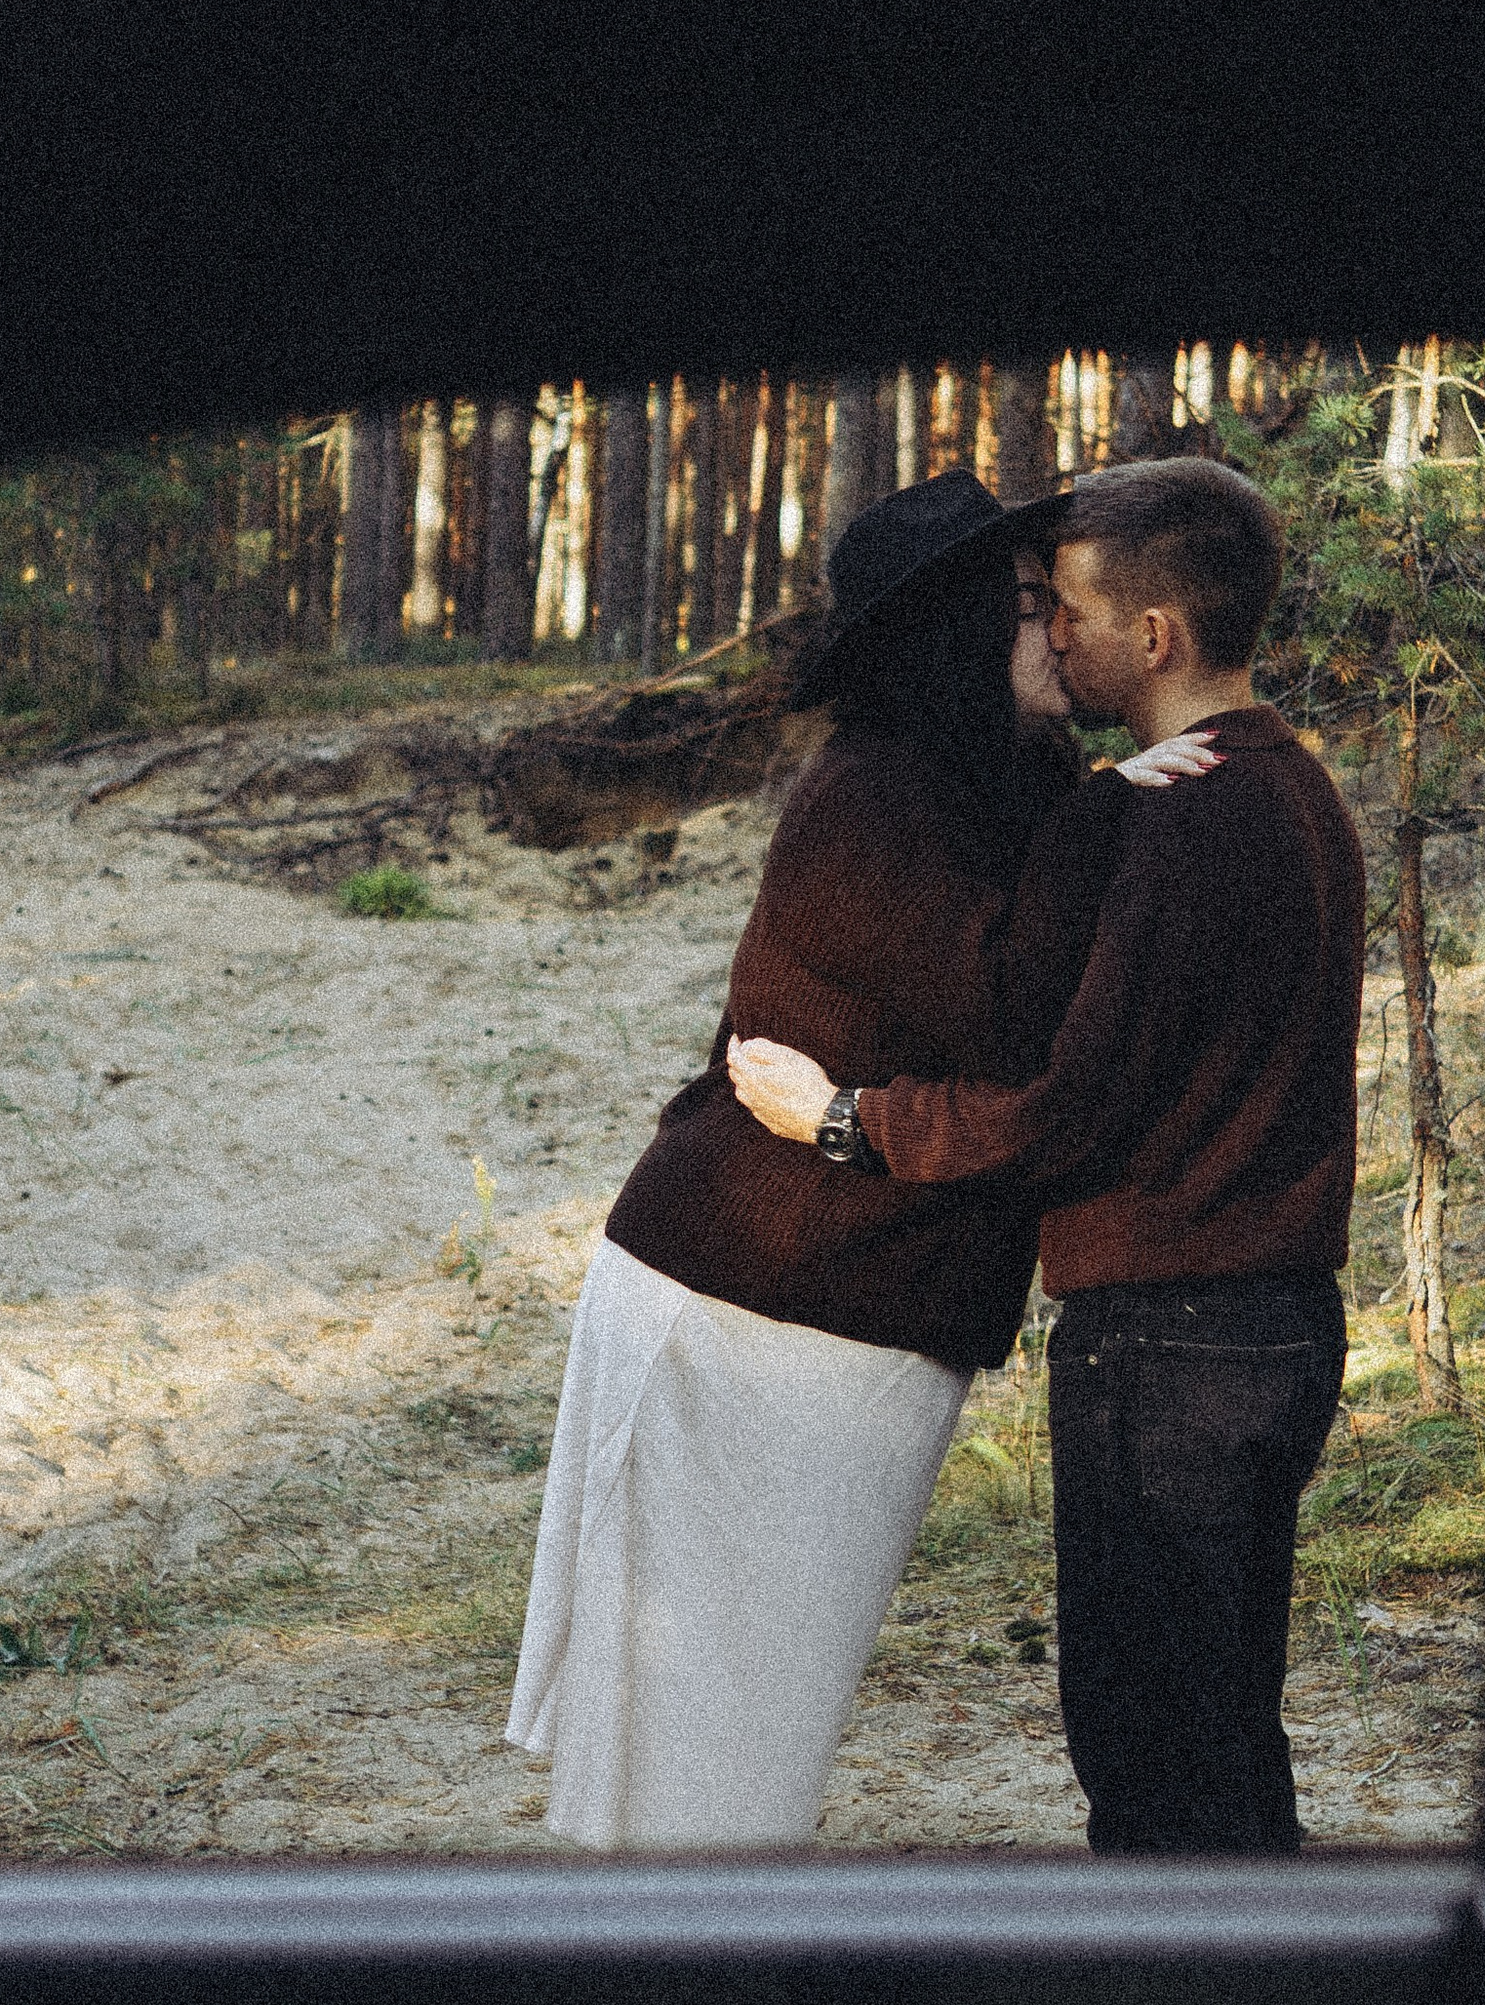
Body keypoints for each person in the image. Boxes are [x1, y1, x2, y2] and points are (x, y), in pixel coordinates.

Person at [505, 465, 1205, 1847]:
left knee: (758, 1721)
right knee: (708, 1740)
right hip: (744, 1309)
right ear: (956, 633)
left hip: (856, 1308)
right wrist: (1119, 813)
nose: (1061, 630)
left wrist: (1106, 807)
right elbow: (1008, 1015)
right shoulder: (867, 799)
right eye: (1030, 605)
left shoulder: (1010, 784)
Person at [731, 455, 1365, 1854]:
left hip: (1168, 1347)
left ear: (1157, 636)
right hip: (1274, 1328)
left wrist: (844, 1121)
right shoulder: (1288, 790)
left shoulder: (1178, 818)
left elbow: (1068, 1111)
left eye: (1068, 610)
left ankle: (1195, 1991)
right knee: (1220, 1734)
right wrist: (1103, 799)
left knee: (1153, 1757)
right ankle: (1264, 1975)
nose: (1055, 636)